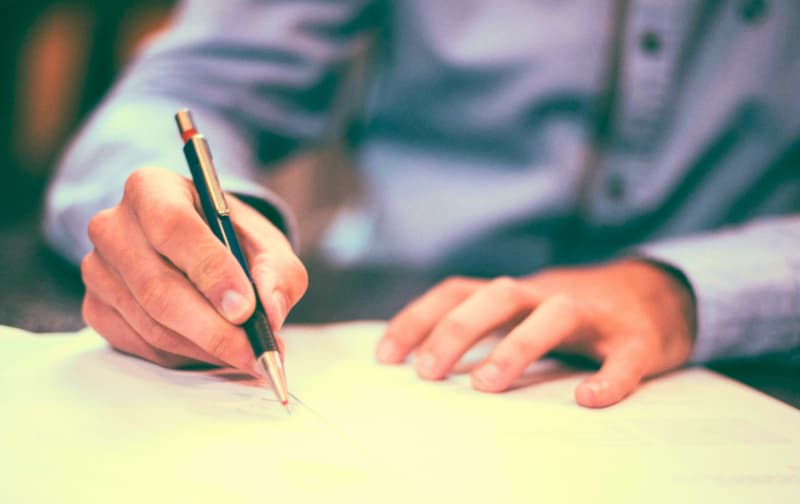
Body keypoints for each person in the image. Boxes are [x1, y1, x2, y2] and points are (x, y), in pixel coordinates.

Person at [44, 1, 800, 408]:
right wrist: (190, 234)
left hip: (743, 366)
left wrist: (686, 290)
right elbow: (185, 91)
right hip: (392, 335)